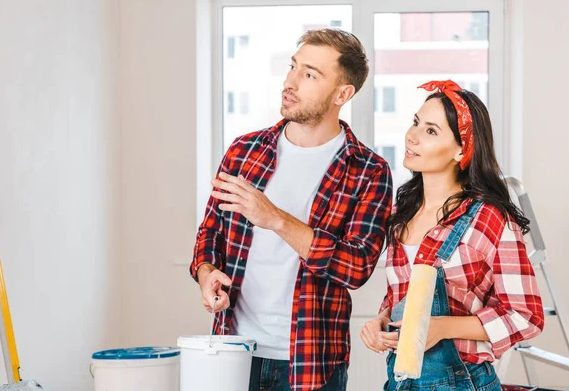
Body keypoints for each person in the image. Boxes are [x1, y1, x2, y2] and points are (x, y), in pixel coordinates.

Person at [191, 28, 392, 391]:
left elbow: (357, 267)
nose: (290, 82)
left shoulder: (368, 170)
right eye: (294, 67)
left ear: (343, 94)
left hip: (311, 361)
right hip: (233, 353)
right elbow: (211, 234)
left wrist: (276, 219)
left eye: (310, 74)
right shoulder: (244, 151)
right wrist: (207, 273)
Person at [361, 80, 544, 390]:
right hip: (401, 381)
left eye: (431, 131)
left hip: (463, 383)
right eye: (416, 123)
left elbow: (526, 316)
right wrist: (381, 321)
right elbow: (403, 295)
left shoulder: (489, 218)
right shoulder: (402, 214)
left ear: (462, 149)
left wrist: (442, 328)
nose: (412, 136)